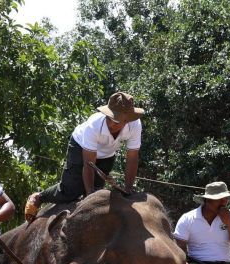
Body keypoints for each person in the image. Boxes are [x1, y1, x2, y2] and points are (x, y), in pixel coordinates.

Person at [24, 92, 143, 221]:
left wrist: (128, 188)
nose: (111, 124)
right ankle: (39, 197)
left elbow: (132, 157)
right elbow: (88, 163)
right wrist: (89, 195)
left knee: (98, 194)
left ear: (127, 120)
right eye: (109, 118)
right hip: (81, 147)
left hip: (107, 155)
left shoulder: (135, 125)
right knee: (71, 191)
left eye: (116, 121)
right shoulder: (94, 125)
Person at [173, 182, 230, 263]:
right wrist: (184, 263)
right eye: (220, 199)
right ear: (208, 200)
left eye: (225, 199)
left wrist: (229, 223)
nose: (224, 203)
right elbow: (178, 248)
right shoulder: (187, 218)